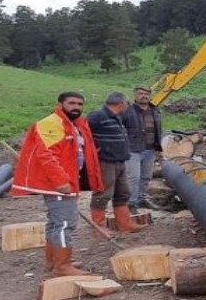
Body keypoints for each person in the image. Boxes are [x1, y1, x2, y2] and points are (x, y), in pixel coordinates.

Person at [11, 91, 102, 277]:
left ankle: (52, 260)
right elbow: (46, 155)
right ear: (60, 104)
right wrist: (60, 181)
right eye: (71, 103)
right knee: (64, 223)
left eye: (79, 104)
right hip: (59, 184)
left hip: (68, 181)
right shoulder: (51, 124)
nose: (76, 107)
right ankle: (63, 265)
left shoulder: (75, 124)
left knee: (55, 222)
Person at [87, 92, 149, 233]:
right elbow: (82, 133)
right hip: (106, 161)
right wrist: (95, 149)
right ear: (121, 104)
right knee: (103, 193)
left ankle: (124, 224)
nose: (127, 106)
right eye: (126, 104)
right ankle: (99, 226)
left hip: (120, 160)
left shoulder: (117, 118)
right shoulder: (97, 116)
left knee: (123, 192)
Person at [122, 86, 163, 213]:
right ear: (135, 95)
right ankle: (131, 203)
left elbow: (159, 130)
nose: (143, 96)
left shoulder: (155, 110)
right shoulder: (128, 111)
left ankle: (141, 199)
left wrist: (159, 147)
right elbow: (120, 127)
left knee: (146, 177)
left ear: (150, 95)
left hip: (150, 149)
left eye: (146, 94)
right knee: (133, 177)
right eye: (140, 93)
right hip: (133, 149)